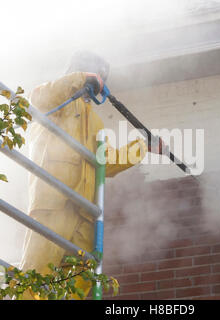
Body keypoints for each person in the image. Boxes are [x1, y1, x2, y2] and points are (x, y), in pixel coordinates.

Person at [20, 51, 163, 299]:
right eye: (98, 78)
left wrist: (142, 147)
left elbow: (104, 162)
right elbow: (38, 99)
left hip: (83, 214)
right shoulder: (57, 101)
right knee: (35, 274)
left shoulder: (94, 122)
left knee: (79, 281)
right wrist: (80, 79)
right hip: (53, 204)